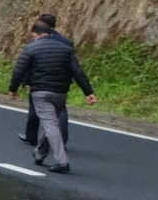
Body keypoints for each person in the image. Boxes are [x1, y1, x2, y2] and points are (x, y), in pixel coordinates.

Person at [10, 19, 96, 173]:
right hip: (60, 93)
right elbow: (78, 72)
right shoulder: (65, 48)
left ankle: (62, 161)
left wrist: (13, 89)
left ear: (34, 34)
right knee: (52, 123)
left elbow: (19, 70)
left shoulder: (31, 48)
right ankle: (40, 152)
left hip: (41, 92)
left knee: (50, 125)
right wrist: (88, 92)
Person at [18, 12, 71, 146]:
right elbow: (71, 64)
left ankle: (31, 136)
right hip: (61, 83)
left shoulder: (35, 41)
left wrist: (25, 81)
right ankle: (62, 139)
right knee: (60, 111)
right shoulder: (66, 42)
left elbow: (26, 64)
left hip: (40, 81)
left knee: (35, 108)